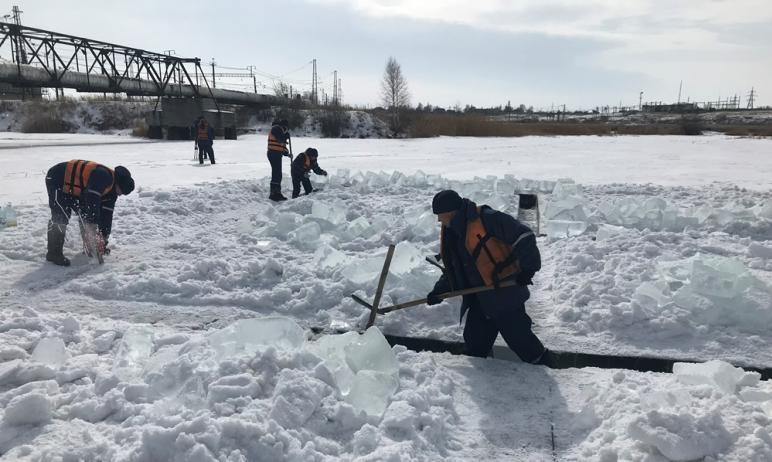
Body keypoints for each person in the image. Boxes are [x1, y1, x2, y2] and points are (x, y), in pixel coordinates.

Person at [426, 190, 552, 365]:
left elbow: (524, 235)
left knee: (522, 342)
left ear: (451, 212)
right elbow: (454, 269)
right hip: (479, 300)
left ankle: (546, 370)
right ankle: (482, 384)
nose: (439, 220)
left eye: (440, 216)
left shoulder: (488, 219)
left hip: (505, 294)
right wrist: (439, 291)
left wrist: (528, 269)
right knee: (475, 345)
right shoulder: (452, 232)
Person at [44, 160, 135, 266]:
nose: (120, 195)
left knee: (85, 214)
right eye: (121, 192)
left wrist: (103, 240)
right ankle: (53, 253)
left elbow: (107, 216)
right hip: (57, 178)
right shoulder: (104, 176)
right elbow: (92, 201)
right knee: (61, 216)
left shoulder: (112, 193)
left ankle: (89, 248)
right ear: (118, 184)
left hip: (74, 188)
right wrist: (92, 225)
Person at [266, 119, 290, 201]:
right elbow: (280, 139)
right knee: (276, 173)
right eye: (286, 128)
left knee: (277, 174)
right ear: (284, 126)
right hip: (273, 153)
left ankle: (277, 193)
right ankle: (273, 193)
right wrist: (285, 136)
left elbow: (281, 146)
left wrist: (287, 154)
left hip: (276, 153)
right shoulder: (276, 128)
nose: (286, 129)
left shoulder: (279, 131)